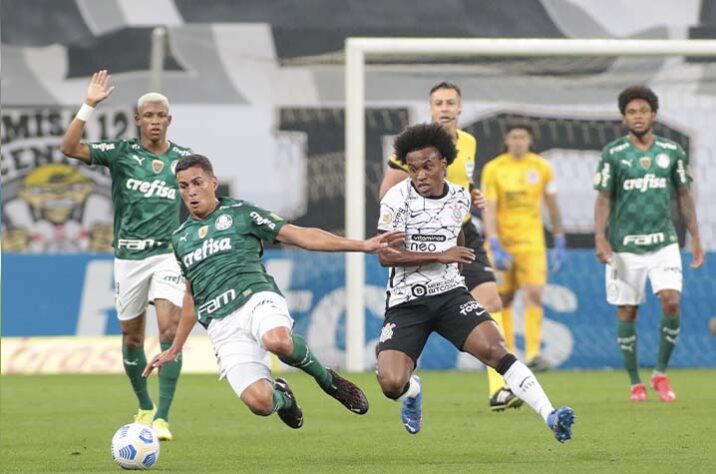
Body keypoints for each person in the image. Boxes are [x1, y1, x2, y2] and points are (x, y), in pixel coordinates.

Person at [143, 154, 403, 429]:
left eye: (197, 183)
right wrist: (175, 347)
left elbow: (299, 235)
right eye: (184, 186)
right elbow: (191, 295)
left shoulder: (241, 214)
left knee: (276, 341)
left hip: (255, 298)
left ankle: (327, 380)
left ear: (213, 183)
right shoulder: (181, 239)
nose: (191, 191)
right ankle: (285, 399)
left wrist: (361, 245)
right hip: (222, 325)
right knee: (260, 403)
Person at [376, 123, 574, 442]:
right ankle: (413, 392)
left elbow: (460, 238)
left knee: (497, 349)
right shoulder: (396, 199)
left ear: (444, 162)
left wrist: (454, 263)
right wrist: (440, 256)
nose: (421, 175)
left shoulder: (460, 198)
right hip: (407, 302)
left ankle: (551, 415)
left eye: (427, 166)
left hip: (450, 296)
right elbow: (386, 255)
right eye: (413, 169)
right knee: (391, 384)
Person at [60, 70, 190, 440]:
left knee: (168, 329)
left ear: (168, 120)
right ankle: (145, 406)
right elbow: (69, 148)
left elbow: (203, 197)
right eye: (146, 115)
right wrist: (88, 105)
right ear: (137, 121)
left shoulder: (183, 161)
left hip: (168, 254)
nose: (153, 121)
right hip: (129, 258)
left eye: (159, 115)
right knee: (132, 339)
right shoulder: (122, 154)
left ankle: (163, 418)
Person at [378, 82, 520, 412]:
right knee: (423, 306)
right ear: (430, 109)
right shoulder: (415, 146)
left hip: (462, 231)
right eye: (438, 102)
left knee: (491, 298)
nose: (444, 108)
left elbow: (457, 180)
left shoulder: (467, 142)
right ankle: (405, 378)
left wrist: (473, 192)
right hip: (424, 236)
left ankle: (499, 388)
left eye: (450, 102)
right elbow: (387, 191)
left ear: (460, 108)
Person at [593, 85, 704, 402]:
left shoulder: (671, 151)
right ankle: (634, 381)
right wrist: (600, 238)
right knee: (628, 311)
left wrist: (696, 238)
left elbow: (684, 195)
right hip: (623, 246)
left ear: (653, 115)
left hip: (663, 242)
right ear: (624, 117)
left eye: (643, 111)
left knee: (671, 300)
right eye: (631, 112)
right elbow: (603, 199)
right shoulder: (613, 154)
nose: (637, 116)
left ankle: (660, 373)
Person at [480, 123, 566, 372]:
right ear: (507, 140)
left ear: (530, 141)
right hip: (503, 243)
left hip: (532, 243)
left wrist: (559, 238)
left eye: (523, 137)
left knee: (535, 294)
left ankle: (533, 353)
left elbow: (552, 205)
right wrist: (493, 241)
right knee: (503, 298)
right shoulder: (494, 168)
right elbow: (490, 208)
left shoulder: (541, 167)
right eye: (514, 136)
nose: (518, 141)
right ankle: (508, 353)